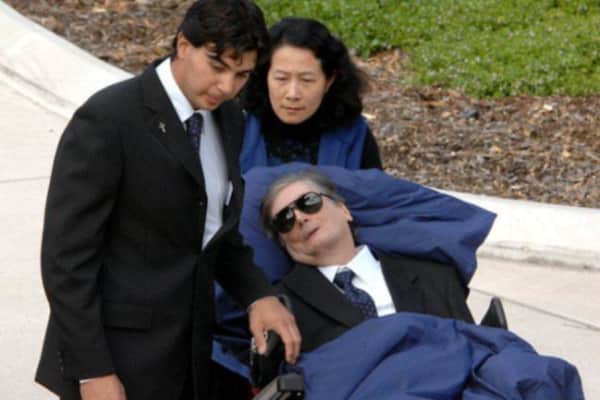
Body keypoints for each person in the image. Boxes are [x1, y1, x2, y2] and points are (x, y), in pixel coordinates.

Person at [34, 2, 301, 400]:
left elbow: (213, 232)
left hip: (187, 359)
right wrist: (92, 371)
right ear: (183, 44)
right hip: (116, 361)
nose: (227, 86)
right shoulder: (108, 120)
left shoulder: (228, 118)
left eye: (242, 74)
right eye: (217, 66)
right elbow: (65, 262)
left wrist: (257, 295)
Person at [260, 169, 474, 353]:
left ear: (344, 210)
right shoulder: (278, 308)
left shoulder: (434, 277)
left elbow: (476, 352)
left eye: (309, 202)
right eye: (285, 219)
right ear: (283, 243)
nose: (300, 218)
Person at [239, 17, 382, 173]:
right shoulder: (239, 126)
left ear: (328, 81)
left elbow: (375, 186)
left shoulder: (353, 136)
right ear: (265, 76)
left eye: (306, 80)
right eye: (281, 78)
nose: (292, 94)